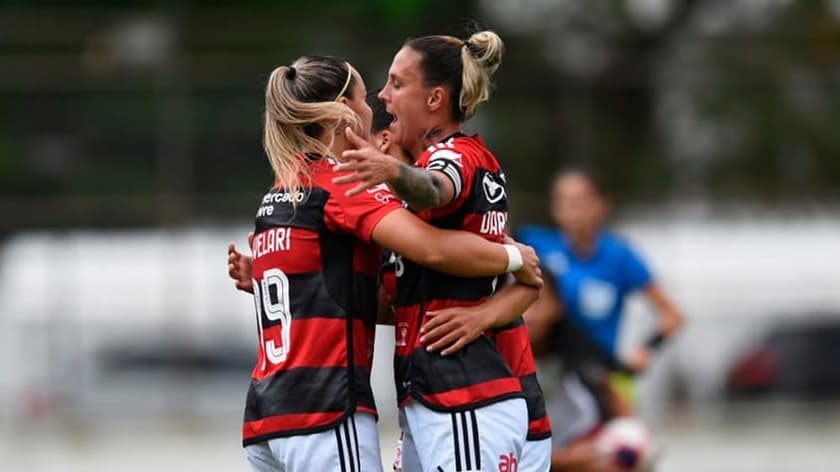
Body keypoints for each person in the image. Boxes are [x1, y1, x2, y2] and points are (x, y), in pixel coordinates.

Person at [229, 54, 542, 472]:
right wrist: (513, 255)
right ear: (344, 113)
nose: (378, 102)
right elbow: (431, 248)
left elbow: (341, 293)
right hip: (325, 411)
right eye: (364, 97)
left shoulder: (279, 192)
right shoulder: (342, 184)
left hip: (266, 417)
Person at [332, 30, 547, 471]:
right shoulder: (414, 203)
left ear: (434, 100)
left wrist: (391, 170)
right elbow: (401, 302)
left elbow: (437, 189)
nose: (384, 96)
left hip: (465, 397)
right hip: (433, 398)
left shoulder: (455, 155)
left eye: (397, 83)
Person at [518, 168, 684, 470]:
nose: (571, 210)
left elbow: (672, 315)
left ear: (602, 205)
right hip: (549, 372)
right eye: (563, 201)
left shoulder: (620, 256)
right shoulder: (535, 244)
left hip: (601, 374)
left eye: (580, 201)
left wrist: (647, 349)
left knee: (622, 452)